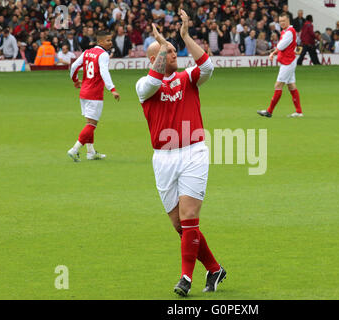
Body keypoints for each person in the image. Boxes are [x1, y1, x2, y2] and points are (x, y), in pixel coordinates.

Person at [135, 10, 226, 297]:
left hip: (193, 153)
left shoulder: (188, 78)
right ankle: (214, 269)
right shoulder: (144, 86)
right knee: (180, 226)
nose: (173, 53)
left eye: (175, 50)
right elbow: (153, 80)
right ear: (154, 59)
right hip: (163, 159)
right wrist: (162, 45)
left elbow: (208, 67)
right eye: (167, 51)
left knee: (189, 218)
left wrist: (185, 36)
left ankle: (185, 278)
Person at [68, 30, 120, 162]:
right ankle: (74, 150)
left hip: (84, 92)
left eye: (110, 40)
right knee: (92, 125)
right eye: (108, 40)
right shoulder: (103, 55)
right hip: (94, 94)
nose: (110, 42)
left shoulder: (87, 52)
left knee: (89, 123)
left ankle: (91, 152)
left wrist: (75, 81)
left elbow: (74, 66)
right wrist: (112, 89)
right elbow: (104, 72)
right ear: (100, 41)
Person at [257, 13, 303, 118]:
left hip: (288, 62)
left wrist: (273, 53)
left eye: (284, 21)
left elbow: (281, 46)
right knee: (291, 85)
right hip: (287, 61)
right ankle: (299, 111)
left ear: (288, 21)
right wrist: (274, 52)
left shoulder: (289, 32)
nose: (282, 23)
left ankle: (269, 111)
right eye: (280, 21)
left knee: (278, 85)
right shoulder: (285, 31)